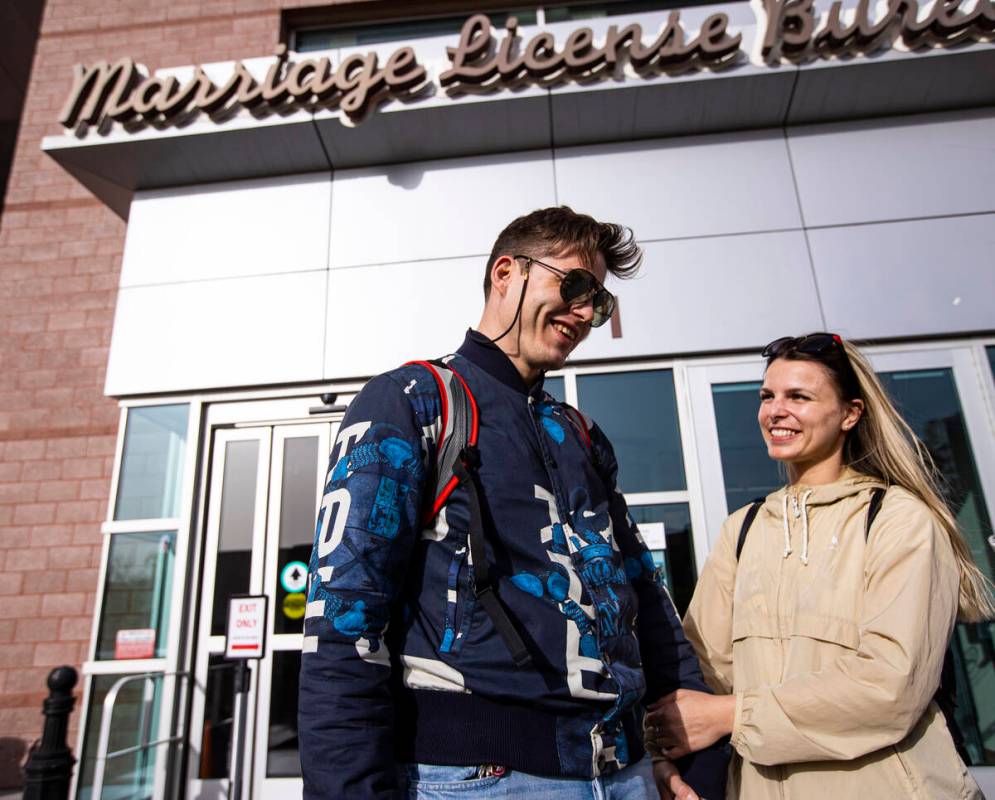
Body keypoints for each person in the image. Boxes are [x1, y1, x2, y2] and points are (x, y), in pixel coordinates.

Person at [299, 207, 728, 799]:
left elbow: (644, 599)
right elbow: (344, 625)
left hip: (624, 776)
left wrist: (700, 759)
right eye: (575, 287)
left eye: (599, 304)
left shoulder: (578, 432)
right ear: (507, 273)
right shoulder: (413, 401)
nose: (584, 314)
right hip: (480, 780)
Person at [644, 332, 993, 799]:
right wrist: (665, 759)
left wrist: (734, 716)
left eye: (799, 397)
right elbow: (701, 676)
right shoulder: (742, 530)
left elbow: (891, 686)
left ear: (850, 413)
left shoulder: (898, 520)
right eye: (768, 396)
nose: (775, 411)